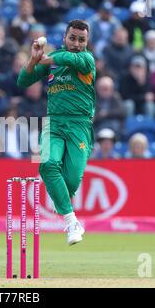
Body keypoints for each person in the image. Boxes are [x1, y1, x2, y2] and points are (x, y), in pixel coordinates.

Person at [17, 20, 96, 246]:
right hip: (54, 123)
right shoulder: (53, 60)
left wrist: (48, 57)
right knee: (48, 164)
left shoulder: (86, 59)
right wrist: (34, 59)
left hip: (80, 125)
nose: (77, 43)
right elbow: (23, 81)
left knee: (71, 180)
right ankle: (71, 222)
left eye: (82, 40)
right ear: (64, 38)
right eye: (72, 38)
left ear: (87, 42)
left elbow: (68, 58)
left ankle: (62, 203)